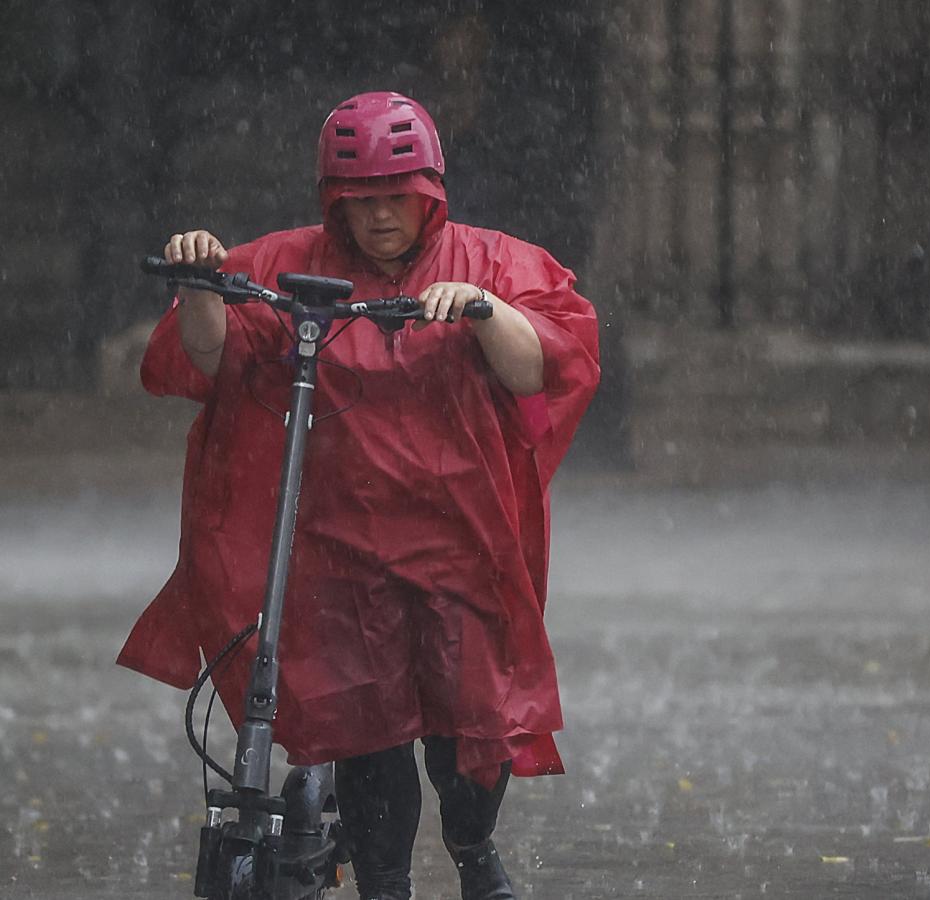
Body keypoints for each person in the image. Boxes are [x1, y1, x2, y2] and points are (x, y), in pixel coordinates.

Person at [117, 91, 600, 900]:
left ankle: (476, 856)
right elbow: (210, 359)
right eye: (361, 201)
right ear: (333, 203)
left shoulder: (496, 263)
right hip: (342, 550)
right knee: (371, 735)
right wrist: (203, 284)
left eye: (397, 199)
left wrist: (484, 312)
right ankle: (384, 883)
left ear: (431, 193)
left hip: (461, 547)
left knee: (466, 730)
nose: (380, 218)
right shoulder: (287, 264)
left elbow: (540, 365)